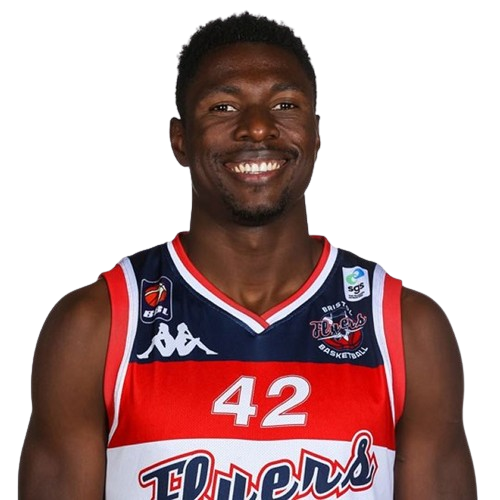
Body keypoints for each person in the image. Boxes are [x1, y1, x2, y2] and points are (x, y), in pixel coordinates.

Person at [18, 11, 477, 500]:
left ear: (316, 134)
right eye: (223, 107)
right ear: (179, 140)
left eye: (284, 104)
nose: (258, 128)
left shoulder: (406, 329)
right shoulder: (97, 326)